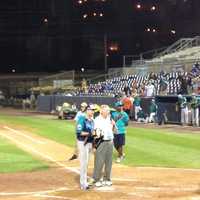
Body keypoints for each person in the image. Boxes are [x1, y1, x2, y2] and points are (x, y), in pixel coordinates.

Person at [92, 105, 115, 187]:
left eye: (109, 111)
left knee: (109, 162)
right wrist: (94, 146)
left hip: (110, 142)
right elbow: (95, 133)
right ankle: (96, 179)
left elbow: (115, 131)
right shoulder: (97, 120)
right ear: (101, 111)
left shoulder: (110, 119)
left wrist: (114, 125)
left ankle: (107, 179)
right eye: (107, 110)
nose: (109, 112)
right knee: (99, 161)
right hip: (101, 142)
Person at [76, 105, 95, 190]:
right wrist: (89, 133)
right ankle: (83, 184)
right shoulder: (82, 119)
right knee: (84, 163)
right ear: (87, 110)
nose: (93, 111)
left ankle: (84, 181)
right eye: (91, 110)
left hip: (90, 143)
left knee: (86, 163)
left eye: (93, 110)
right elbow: (79, 132)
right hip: (83, 143)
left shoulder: (92, 121)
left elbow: (93, 132)